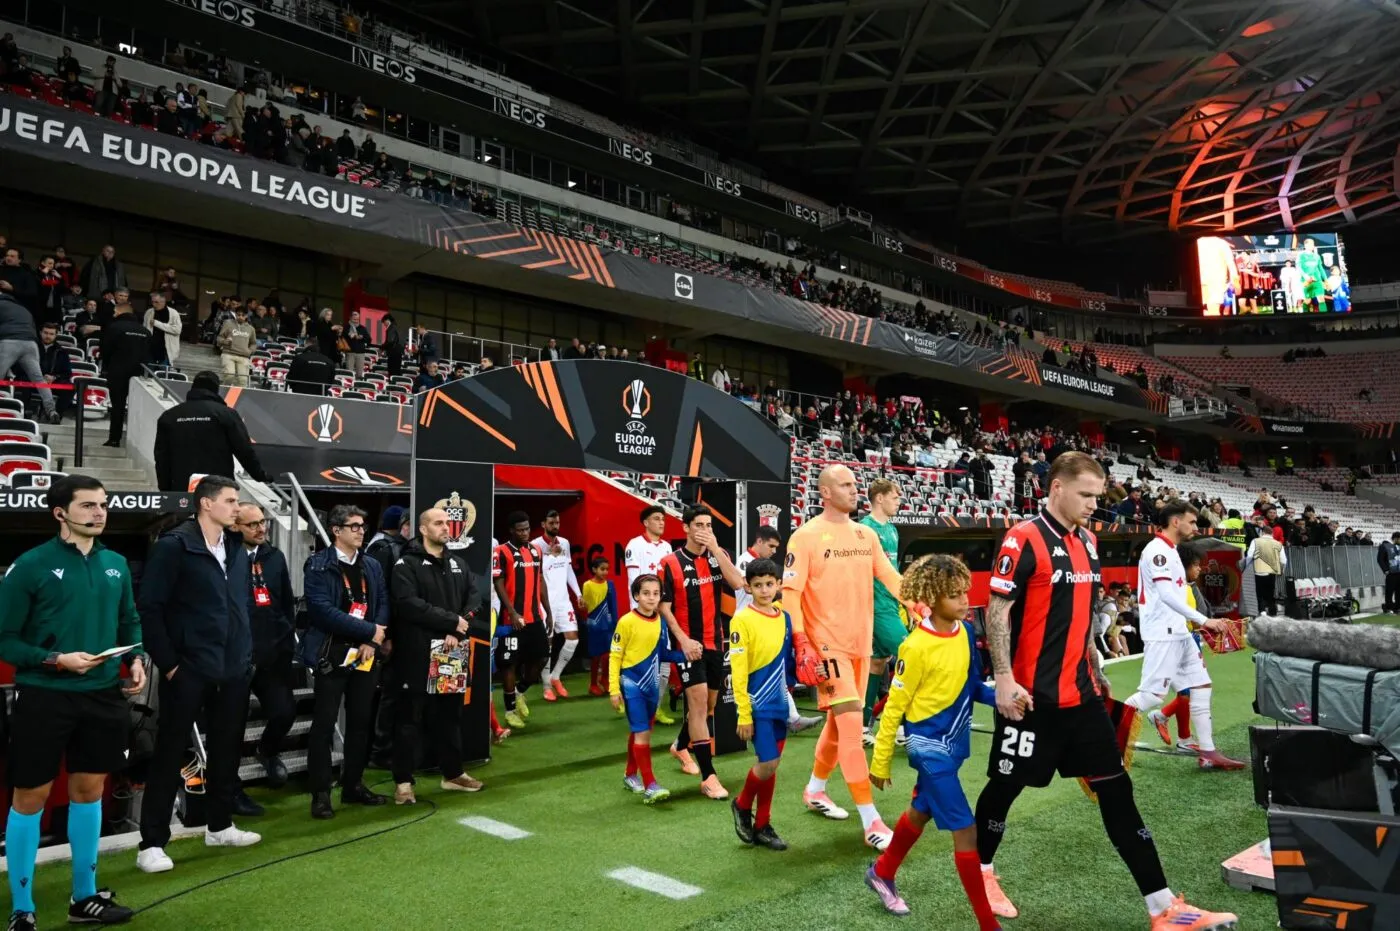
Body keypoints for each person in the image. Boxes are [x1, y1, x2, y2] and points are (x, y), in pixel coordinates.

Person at [974, 452, 1237, 930]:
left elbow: (1083, 610)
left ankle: (1163, 908)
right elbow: (997, 611)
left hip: (1083, 695)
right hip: (1032, 700)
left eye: (1098, 495)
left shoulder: (1089, 540)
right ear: (1057, 488)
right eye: (1086, 495)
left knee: (1117, 791)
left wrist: (1095, 662)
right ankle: (983, 871)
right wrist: (1005, 678)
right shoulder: (1023, 537)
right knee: (1006, 787)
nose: (1095, 504)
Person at [0, 475, 145, 928]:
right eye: (88, 506)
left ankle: (83, 898)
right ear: (59, 512)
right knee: (30, 796)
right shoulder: (30, 565)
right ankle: (23, 909)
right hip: (45, 696)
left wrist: (136, 658)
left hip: (102, 695)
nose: (99, 513)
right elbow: (5, 639)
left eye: (103, 505)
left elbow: (129, 621)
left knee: (89, 792)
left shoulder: (116, 564)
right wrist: (54, 660)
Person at [864, 555, 1000, 929]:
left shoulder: (967, 633)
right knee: (966, 830)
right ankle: (988, 923)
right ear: (933, 598)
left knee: (921, 810)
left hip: (954, 745)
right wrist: (880, 760)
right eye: (954, 595)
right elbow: (894, 706)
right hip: (928, 748)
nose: (964, 601)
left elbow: (973, 686)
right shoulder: (915, 646)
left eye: (964, 592)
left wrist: (1004, 698)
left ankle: (881, 872)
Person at [137, 476, 262, 874]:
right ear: (206, 504)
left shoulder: (236, 548)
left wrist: (244, 655)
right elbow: (150, 608)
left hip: (233, 667)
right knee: (170, 751)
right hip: (188, 668)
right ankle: (151, 843)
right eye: (231, 500)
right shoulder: (174, 546)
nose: (237, 507)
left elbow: (239, 605)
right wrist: (171, 663)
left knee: (227, 748)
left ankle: (220, 825)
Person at [783, 464, 904, 850]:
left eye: (855, 484)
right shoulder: (805, 537)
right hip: (826, 647)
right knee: (852, 724)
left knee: (838, 726)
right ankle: (871, 821)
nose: (854, 490)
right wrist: (801, 641)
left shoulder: (866, 534)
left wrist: (923, 604)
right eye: (845, 485)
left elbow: (891, 578)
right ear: (825, 493)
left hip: (860, 645)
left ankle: (815, 789)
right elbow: (790, 595)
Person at [1126, 507, 1244, 770]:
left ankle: (1208, 752)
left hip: (1179, 631)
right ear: (1175, 521)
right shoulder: (1157, 551)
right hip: (1162, 632)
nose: (1195, 527)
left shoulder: (1172, 551)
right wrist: (1204, 620)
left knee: (1201, 686)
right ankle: (1106, 740)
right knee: (1151, 696)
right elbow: (1166, 595)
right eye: (1191, 522)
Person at [390, 508, 485, 805]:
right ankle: (403, 783)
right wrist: (451, 622)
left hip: (451, 650)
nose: (446, 527)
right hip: (417, 652)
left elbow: (475, 599)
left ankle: (453, 774)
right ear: (423, 529)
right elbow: (409, 605)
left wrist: (458, 629)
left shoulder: (458, 563)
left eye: (447, 522)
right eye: (438, 523)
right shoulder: (406, 564)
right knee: (409, 719)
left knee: (450, 716)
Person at [302, 505, 390, 819]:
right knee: (324, 725)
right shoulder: (318, 565)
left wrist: (372, 640)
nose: (360, 531)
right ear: (336, 530)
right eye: (354, 526)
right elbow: (322, 611)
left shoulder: (371, 565)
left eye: (362, 526)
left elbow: (382, 603)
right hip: (332, 653)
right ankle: (320, 794)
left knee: (360, 722)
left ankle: (353, 784)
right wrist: (369, 631)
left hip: (365, 654)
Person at [658, 504, 746, 799]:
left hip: (715, 642)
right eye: (699, 525)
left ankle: (680, 745)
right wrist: (683, 640)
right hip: (688, 646)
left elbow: (738, 583)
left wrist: (717, 549)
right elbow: (664, 607)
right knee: (697, 706)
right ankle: (709, 777)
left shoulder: (718, 557)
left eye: (709, 525)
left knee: (708, 707)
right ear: (686, 527)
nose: (705, 530)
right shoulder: (670, 562)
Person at [728, 558, 794, 851]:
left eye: (769, 584)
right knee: (767, 763)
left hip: (780, 703)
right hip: (757, 705)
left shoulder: (785, 617)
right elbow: (738, 671)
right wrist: (743, 713)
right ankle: (742, 805)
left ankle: (763, 825)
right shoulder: (741, 620)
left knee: (772, 764)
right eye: (758, 585)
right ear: (748, 587)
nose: (765, 590)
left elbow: (789, 661)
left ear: (779, 584)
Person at [235, 502, 298, 791]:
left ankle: (267, 751)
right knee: (233, 723)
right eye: (253, 524)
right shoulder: (226, 556)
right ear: (235, 526)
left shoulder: (275, 557)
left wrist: (285, 635)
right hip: (238, 656)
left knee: (285, 712)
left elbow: (286, 601)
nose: (261, 529)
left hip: (273, 653)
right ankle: (231, 785)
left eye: (263, 522)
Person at [609, 574, 675, 805]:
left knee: (641, 730)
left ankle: (630, 774)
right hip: (631, 685)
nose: (651, 598)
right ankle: (650, 785)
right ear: (636, 595)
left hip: (652, 687)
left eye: (656, 593)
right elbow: (615, 656)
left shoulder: (661, 622)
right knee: (642, 732)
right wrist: (613, 689)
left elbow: (663, 654)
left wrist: (688, 654)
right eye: (646, 593)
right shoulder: (626, 622)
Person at [153, 371, 271, 491]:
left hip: (180, 486)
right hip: (219, 486)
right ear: (216, 389)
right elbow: (244, 450)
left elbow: (161, 457)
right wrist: (260, 475)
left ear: (193, 387)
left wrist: (165, 489)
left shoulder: (169, 416)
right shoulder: (227, 414)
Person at [493, 512, 554, 730]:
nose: (525, 533)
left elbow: (540, 580)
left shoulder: (536, 550)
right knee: (509, 663)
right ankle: (510, 712)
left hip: (534, 617)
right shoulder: (501, 551)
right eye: (520, 530)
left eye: (527, 529)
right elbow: (498, 582)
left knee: (542, 657)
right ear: (511, 530)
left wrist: (548, 611)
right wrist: (512, 612)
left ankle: (520, 691)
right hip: (510, 620)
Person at [860, 478, 906, 741]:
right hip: (875, 606)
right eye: (895, 497)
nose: (899, 501)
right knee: (910, 654)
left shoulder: (892, 530)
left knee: (877, 662)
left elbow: (893, 571)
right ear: (880, 498)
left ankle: (862, 727)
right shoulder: (864, 529)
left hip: (890, 604)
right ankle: (902, 725)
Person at [625, 505, 677, 726]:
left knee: (664, 662)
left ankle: (655, 708)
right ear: (646, 522)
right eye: (656, 519)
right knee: (641, 663)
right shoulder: (634, 545)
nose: (661, 522)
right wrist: (640, 612)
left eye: (663, 519)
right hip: (643, 615)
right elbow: (634, 583)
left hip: (662, 612)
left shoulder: (667, 547)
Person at [533, 510, 583, 701]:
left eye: (557, 523)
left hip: (563, 600)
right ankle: (546, 686)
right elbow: (536, 574)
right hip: (545, 601)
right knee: (548, 643)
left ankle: (556, 676)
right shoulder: (535, 545)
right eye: (551, 523)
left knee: (573, 639)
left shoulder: (565, 543)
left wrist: (578, 593)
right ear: (543, 524)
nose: (555, 526)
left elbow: (568, 568)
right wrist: (551, 556)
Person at [0, 291, 62, 424]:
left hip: (10, 342)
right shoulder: (23, 309)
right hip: (31, 345)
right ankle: (51, 410)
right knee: (39, 380)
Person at [99, 302, 149, 447]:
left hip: (118, 371)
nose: (114, 314)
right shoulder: (146, 331)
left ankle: (115, 439)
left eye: (115, 312)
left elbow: (106, 350)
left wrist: (105, 369)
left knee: (118, 407)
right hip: (140, 374)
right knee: (137, 408)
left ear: (120, 312)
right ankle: (137, 442)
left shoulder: (114, 327)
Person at [582, 557, 619, 696]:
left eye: (607, 569)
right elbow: (586, 606)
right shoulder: (587, 585)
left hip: (608, 625)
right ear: (594, 569)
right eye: (602, 569)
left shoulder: (610, 584)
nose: (605, 572)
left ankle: (604, 679)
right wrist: (582, 607)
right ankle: (592, 684)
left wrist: (615, 623)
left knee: (609, 654)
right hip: (594, 625)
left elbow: (613, 606)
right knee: (596, 655)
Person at [1245, 520, 1285, 616]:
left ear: (1262, 533)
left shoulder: (1255, 541)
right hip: (1272, 571)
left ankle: (1262, 611)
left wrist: (1247, 567)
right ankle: (1272, 612)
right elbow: (1283, 560)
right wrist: (1281, 570)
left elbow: (1249, 556)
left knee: (1259, 592)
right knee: (1270, 592)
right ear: (1272, 534)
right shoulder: (1278, 544)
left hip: (1258, 570)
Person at [218, 305, 256, 384]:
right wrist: (225, 341)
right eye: (238, 315)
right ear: (235, 314)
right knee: (229, 376)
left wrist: (250, 351)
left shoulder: (251, 329)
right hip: (228, 354)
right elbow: (219, 338)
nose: (240, 317)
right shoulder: (228, 324)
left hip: (244, 356)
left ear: (246, 316)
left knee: (243, 380)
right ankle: (225, 391)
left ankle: (236, 393)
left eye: (243, 315)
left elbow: (253, 343)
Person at [1379, 532, 1400, 614]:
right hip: (1391, 573)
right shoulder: (1384, 546)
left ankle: (1397, 607)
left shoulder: (1398, 546)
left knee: (1399, 591)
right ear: (1396, 538)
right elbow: (1380, 559)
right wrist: (1385, 570)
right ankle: (1388, 607)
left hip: (1399, 572)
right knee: (1389, 591)